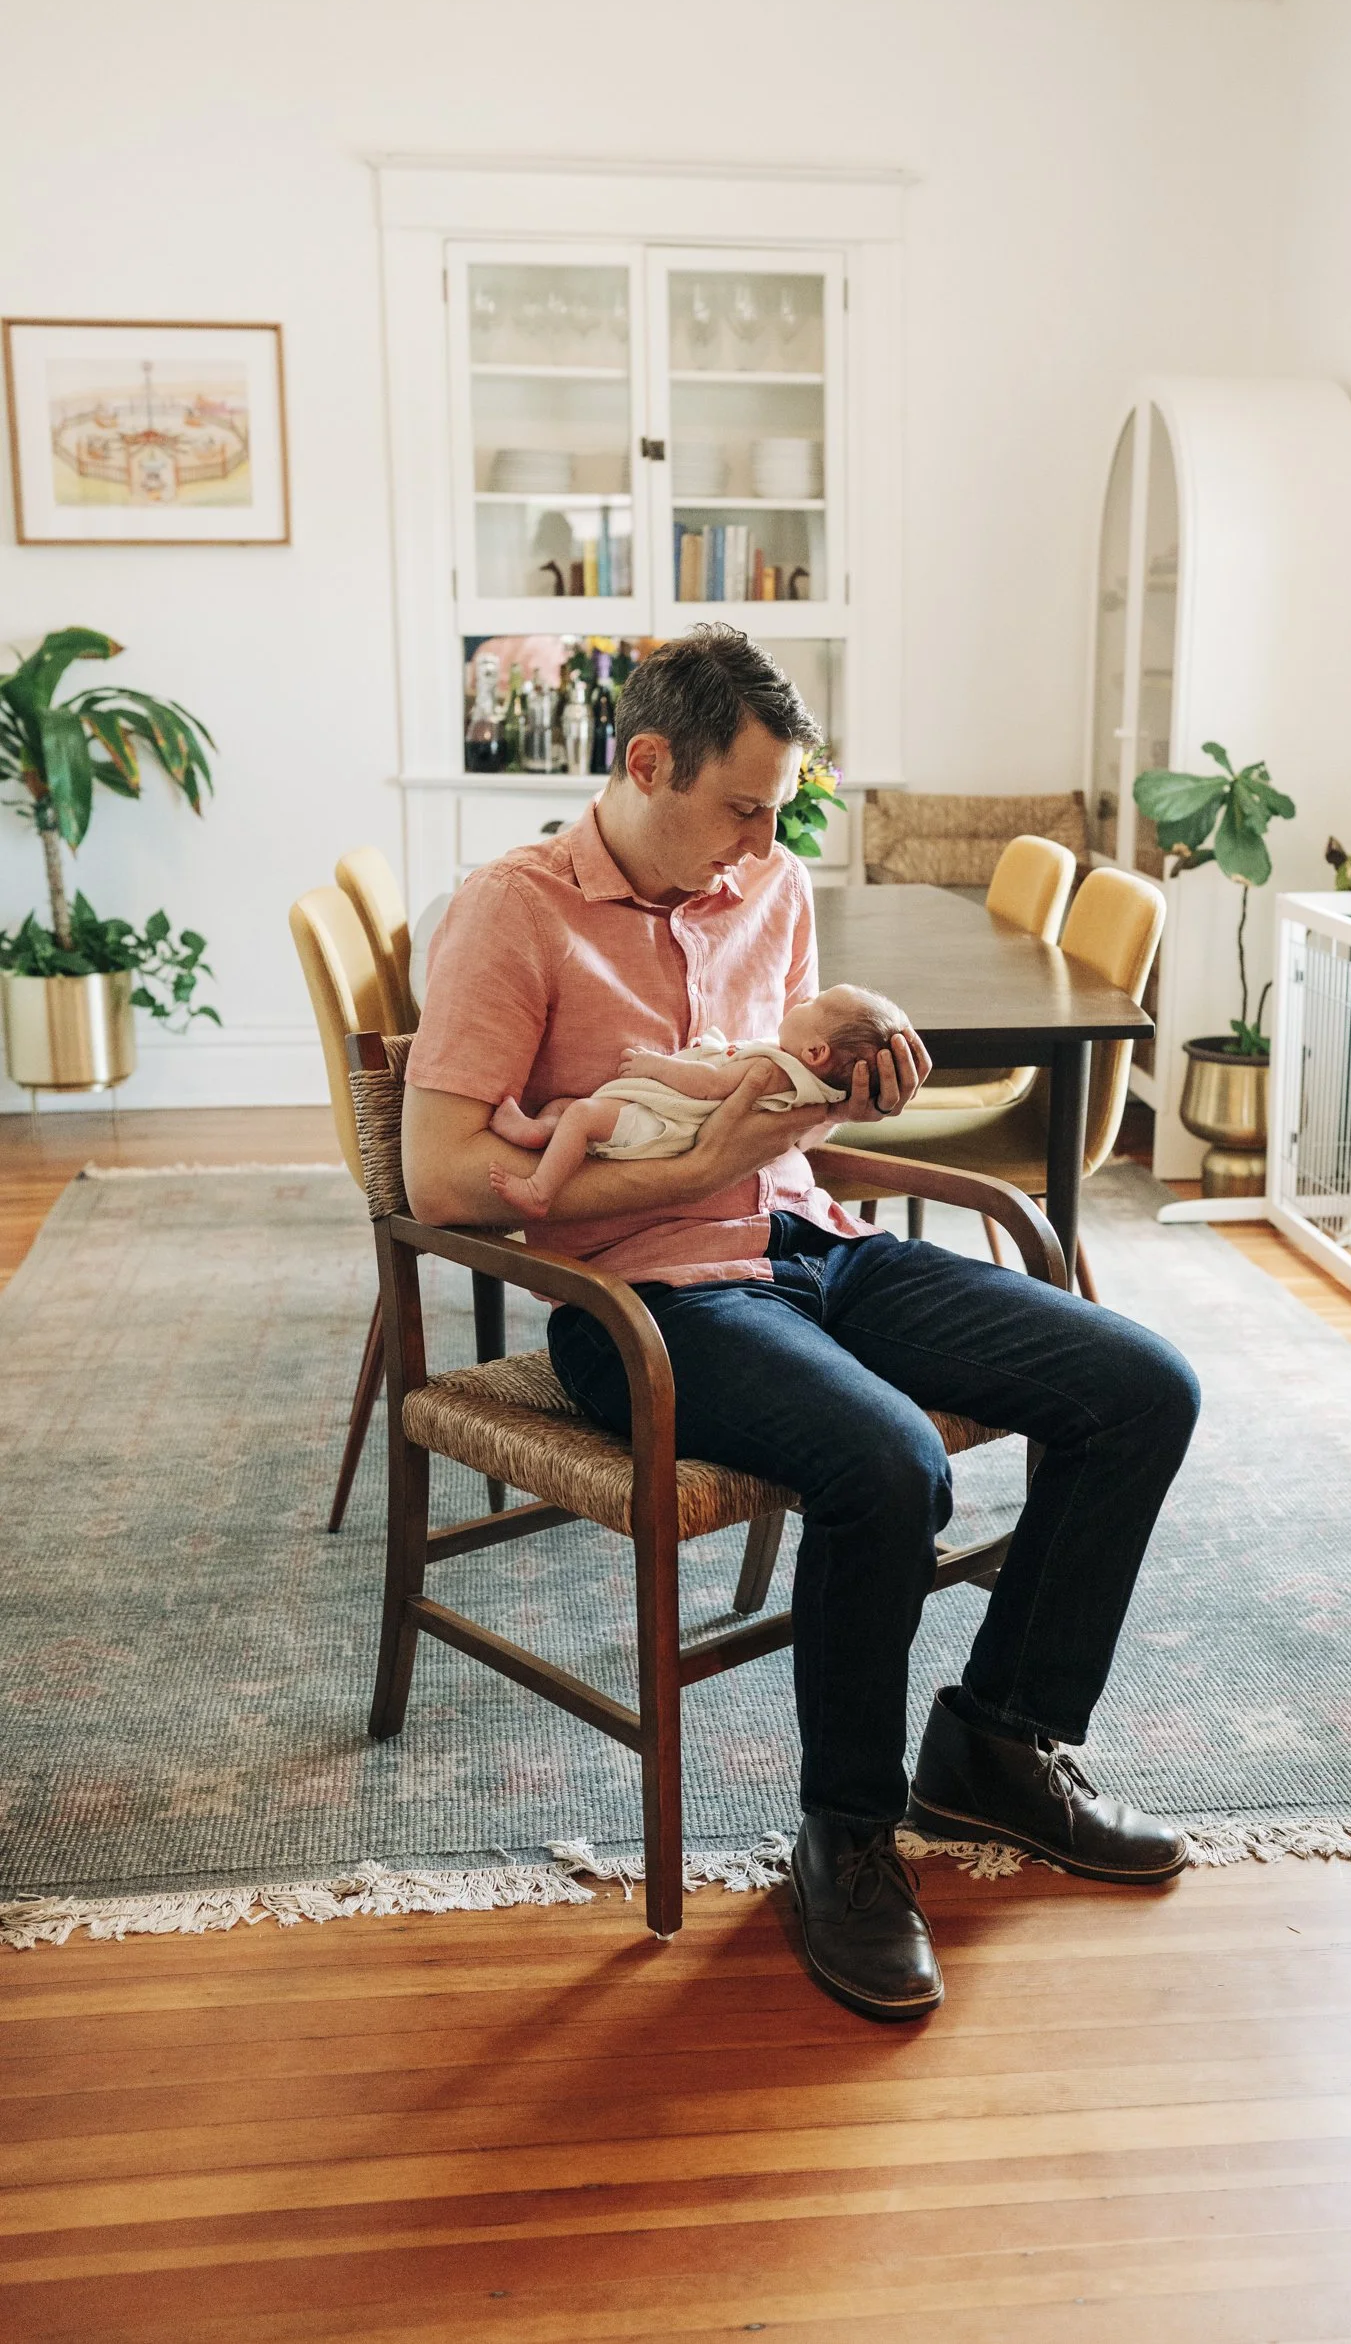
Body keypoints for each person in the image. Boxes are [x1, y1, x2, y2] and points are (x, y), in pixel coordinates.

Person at [404, 624, 1201, 2023]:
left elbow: (780, 1093)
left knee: (1141, 1384)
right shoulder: (509, 908)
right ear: (644, 763)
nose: (766, 842)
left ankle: (996, 1749)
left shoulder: (766, 885)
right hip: (641, 1298)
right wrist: (683, 1171)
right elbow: (440, 1173)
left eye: (776, 812)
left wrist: (852, 1069)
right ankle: (843, 1836)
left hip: (808, 1247)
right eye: (743, 809)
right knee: (890, 1465)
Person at [486, 983, 909, 1214]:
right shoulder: (798, 1073)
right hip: (674, 1123)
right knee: (568, 1110)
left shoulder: (775, 1071)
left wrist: (655, 1065)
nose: (802, 998)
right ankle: (538, 1130)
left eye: (813, 1003)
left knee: (578, 1115)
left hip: (668, 1125)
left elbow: (708, 1086)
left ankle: (540, 1190)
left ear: (816, 1053)